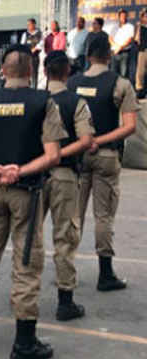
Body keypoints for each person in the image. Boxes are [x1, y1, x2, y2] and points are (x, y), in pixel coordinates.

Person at [0, 44, 66, 359]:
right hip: (28, 194)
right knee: (26, 266)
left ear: (3, 71)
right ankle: (24, 341)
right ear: (32, 71)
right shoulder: (42, 102)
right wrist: (19, 170)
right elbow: (53, 156)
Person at [67, 37, 139, 291]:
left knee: (73, 216)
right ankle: (105, 274)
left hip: (77, 155)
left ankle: (67, 273)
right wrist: (98, 140)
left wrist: (84, 141)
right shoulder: (120, 84)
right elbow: (130, 126)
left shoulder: (73, 83)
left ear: (87, 56)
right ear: (109, 56)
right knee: (104, 216)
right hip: (106, 155)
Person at [42, 51, 94, 320]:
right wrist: (60, 154)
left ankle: (24, 294)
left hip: (36, 177)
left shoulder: (35, 100)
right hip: (64, 175)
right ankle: (65, 300)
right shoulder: (75, 101)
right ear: (67, 73)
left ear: (44, 71)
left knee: (27, 237)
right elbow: (86, 140)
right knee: (65, 236)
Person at [109, 9, 134, 78]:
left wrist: (120, 48)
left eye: (124, 16)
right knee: (113, 74)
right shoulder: (114, 28)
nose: (123, 17)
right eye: (121, 16)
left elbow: (129, 39)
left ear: (127, 17)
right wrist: (116, 47)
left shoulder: (130, 27)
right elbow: (110, 39)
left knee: (124, 74)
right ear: (119, 17)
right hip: (114, 53)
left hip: (124, 53)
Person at [21, 18, 42, 87]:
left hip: (35, 56)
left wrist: (35, 48)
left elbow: (41, 43)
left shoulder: (39, 34)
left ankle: (34, 87)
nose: (28, 26)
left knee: (34, 73)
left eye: (30, 24)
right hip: (27, 56)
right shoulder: (25, 34)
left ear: (34, 24)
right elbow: (22, 44)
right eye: (27, 25)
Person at [135, 9, 147, 94]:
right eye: (145, 16)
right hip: (142, 51)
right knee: (140, 72)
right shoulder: (140, 27)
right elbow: (136, 39)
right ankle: (139, 89)